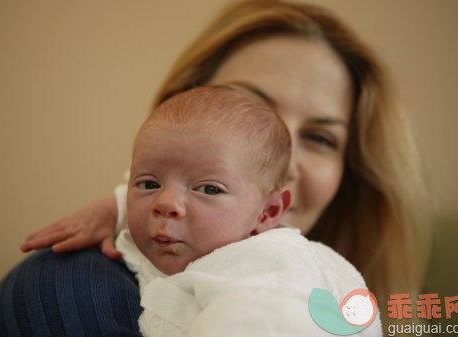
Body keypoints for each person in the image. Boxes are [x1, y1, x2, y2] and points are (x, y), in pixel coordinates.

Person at [0, 0, 430, 335]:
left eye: (321, 137)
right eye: (248, 105)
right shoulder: (73, 288)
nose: (285, 159)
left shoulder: (330, 292)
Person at [114, 84, 381, 336]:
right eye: (149, 184)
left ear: (267, 212)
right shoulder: (104, 257)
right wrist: (111, 210)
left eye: (209, 189)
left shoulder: (267, 267)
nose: (165, 203)